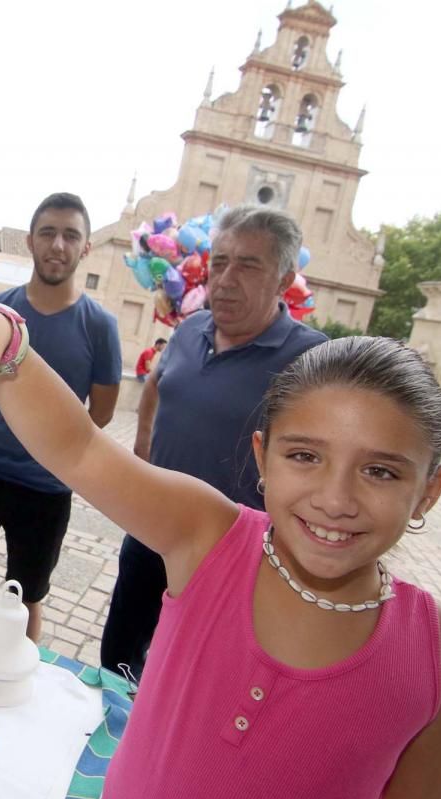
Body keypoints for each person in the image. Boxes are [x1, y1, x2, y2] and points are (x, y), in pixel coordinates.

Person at [0, 309, 441, 798]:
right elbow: (81, 450)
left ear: (430, 491)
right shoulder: (208, 537)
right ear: (262, 459)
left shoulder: (436, 649)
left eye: (381, 471)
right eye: (305, 457)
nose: (336, 499)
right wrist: (1, 334)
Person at [102, 204, 327, 680]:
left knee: (195, 678)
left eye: (248, 265)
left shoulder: (311, 360)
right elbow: (157, 385)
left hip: (233, 556)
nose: (225, 279)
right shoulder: (188, 330)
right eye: (220, 262)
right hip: (151, 531)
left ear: (285, 278)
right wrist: (144, 454)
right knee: (119, 658)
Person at [0, 192, 122, 640]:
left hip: (46, 489)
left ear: (87, 247)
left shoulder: (100, 327)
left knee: (26, 598)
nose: (58, 245)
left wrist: (50, 447)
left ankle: (21, 682)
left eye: (71, 235)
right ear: (30, 241)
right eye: (48, 233)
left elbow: (101, 414)